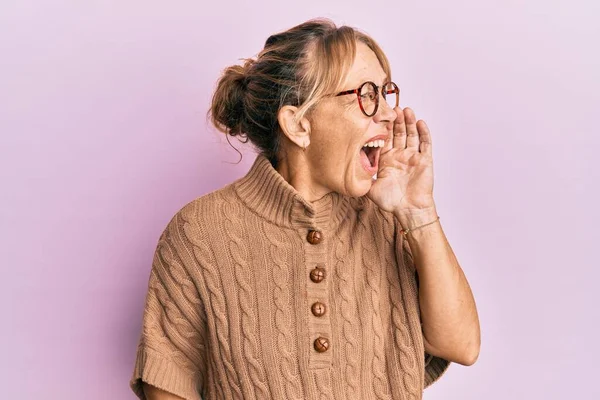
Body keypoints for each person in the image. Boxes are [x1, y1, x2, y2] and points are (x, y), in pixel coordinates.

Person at [129, 18, 480, 400]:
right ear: (298, 125)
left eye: (384, 92)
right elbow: (168, 386)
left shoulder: (389, 218)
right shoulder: (199, 232)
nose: (388, 114)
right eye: (365, 95)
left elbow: (461, 346)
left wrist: (418, 213)